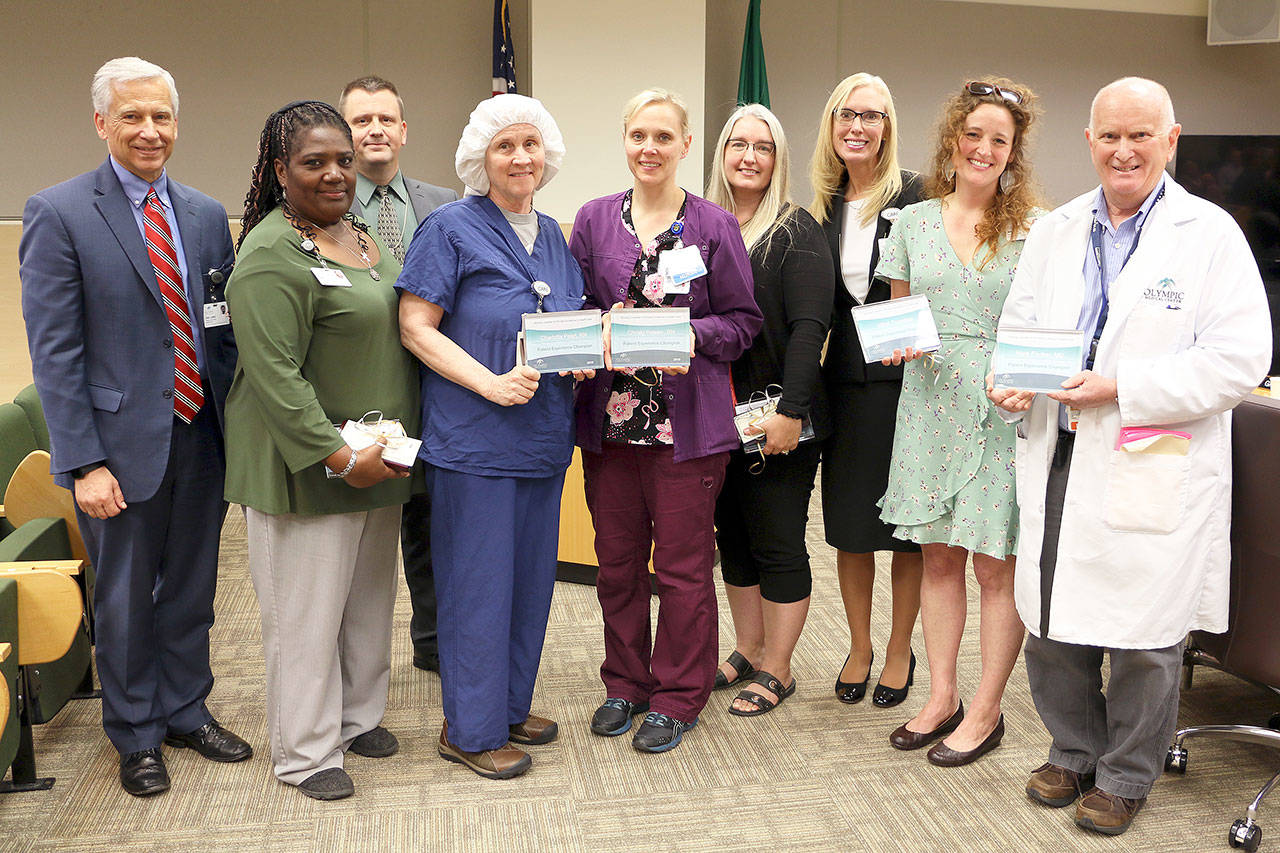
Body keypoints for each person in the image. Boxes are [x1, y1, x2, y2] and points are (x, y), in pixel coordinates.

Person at [989, 77, 1271, 836]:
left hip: (1151, 452)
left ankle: (1126, 773)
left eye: (1141, 135)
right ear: (1089, 141)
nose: (1123, 150)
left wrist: (1124, 387)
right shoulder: (1056, 230)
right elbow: (1019, 329)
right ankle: (1073, 749)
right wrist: (1009, 380)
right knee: (1053, 616)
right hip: (1058, 446)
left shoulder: (1209, 235)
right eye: (1109, 135)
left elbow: (1242, 358)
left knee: (1145, 631)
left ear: (1170, 141)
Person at [19, 57, 251, 797]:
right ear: (101, 122)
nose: (150, 130)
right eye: (132, 116)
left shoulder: (207, 214)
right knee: (122, 600)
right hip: (116, 449)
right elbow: (56, 355)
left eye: (162, 116)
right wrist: (82, 463)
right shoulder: (58, 212)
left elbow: (220, 330)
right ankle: (136, 732)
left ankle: (186, 709)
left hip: (202, 433)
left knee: (192, 586)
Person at [225, 100, 419, 801]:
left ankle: (357, 717)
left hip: (378, 455)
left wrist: (374, 453)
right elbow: (274, 376)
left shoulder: (359, 235)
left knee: (367, 601)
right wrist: (336, 456)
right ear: (281, 170)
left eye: (342, 159)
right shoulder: (270, 253)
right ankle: (305, 752)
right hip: (308, 464)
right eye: (314, 162)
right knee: (304, 617)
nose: (335, 173)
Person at [397, 93, 585, 780]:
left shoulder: (554, 234)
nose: (520, 157)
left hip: (541, 438)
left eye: (531, 144)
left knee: (530, 583)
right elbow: (414, 326)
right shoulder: (449, 227)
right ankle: (469, 728)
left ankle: (507, 706)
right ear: (481, 157)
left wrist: (587, 350)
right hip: (475, 439)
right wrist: (490, 383)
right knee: (477, 584)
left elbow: (562, 319)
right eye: (505, 146)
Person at [571, 89, 762, 752]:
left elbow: (742, 324)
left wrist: (689, 333)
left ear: (685, 144)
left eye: (662, 136)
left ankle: (679, 695)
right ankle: (625, 683)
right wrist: (594, 325)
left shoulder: (714, 226)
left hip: (687, 432)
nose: (649, 148)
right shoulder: (593, 220)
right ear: (624, 141)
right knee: (617, 565)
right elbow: (575, 306)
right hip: (611, 427)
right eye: (638, 136)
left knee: (682, 570)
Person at [877, 78, 1043, 767]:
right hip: (928, 406)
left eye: (998, 140)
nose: (983, 148)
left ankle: (986, 708)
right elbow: (897, 317)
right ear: (953, 140)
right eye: (973, 134)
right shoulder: (912, 222)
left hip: (1002, 409)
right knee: (938, 557)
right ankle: (941, 694)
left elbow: (1047, 326)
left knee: (996, 566)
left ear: (1012, 153)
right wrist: (897, 342)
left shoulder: (1036, 229)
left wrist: (1030, 381)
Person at [705, 104, 834, 716]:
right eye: (739, 144)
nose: (749, 157)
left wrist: (791, 410)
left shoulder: (795, 230)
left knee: (777, 539)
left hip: (777, 417)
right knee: (733, 536)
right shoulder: (701, 223)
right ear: (721, 153)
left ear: (778, 158)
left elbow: (810, 329)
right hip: (714, 415)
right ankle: (749, 647)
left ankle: (778, 667)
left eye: (763, 147)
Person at [808, 73, 924, 708]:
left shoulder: (918, 196)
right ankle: (859, 645)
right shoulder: (822, 207)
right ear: (832, 125)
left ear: (888, 126)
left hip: (910, 387)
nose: (857, 126)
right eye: (846, 114)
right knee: (851, 528)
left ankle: (901, 648)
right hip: (847, 388)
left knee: (905, 531)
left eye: (871, 116)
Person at [340, 75, 459, 675]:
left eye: (385, 119)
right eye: (361, 121)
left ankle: (434, 642)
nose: (375, 130)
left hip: (436, 383)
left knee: (432, 520)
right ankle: (356, 664)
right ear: (344, 134)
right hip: (361, 390)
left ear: (404, 130)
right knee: (360, 534)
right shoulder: (323, 205)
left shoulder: (447, 202)